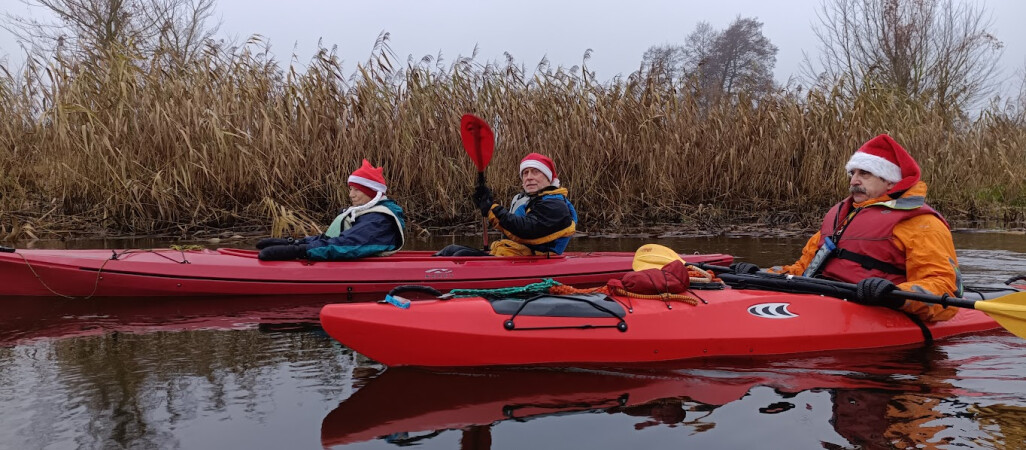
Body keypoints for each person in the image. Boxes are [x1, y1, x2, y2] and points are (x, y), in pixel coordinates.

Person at [735, 134, 961, 322]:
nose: (854, 181)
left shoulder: (921, 224)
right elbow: (803, 269)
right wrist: (761, 275)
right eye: (853, 173)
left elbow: (943, 288)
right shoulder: (842, 217)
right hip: (822, 301)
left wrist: (896, 294)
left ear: (890, 182)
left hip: (875, 307)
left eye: (865, 174)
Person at [256, 159, 405, 261]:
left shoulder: (379, 220)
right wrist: (295, 242)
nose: (351, 195)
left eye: (357, 190)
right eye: (351, 189)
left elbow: (347, 245)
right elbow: (331, 239)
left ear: (372, 193)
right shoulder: (367, 213)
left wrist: (299, 251)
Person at [435, 153, 578, 257]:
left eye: (535, 172)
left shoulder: (555, 205)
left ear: (548, 178)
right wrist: (486, 204)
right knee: (451, 250)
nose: (529, 177)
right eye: (525, 173)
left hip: (537, 259)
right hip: (515, 255)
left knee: (460, 256)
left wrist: (492, 209)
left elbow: (527, 230)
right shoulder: (531, 200)